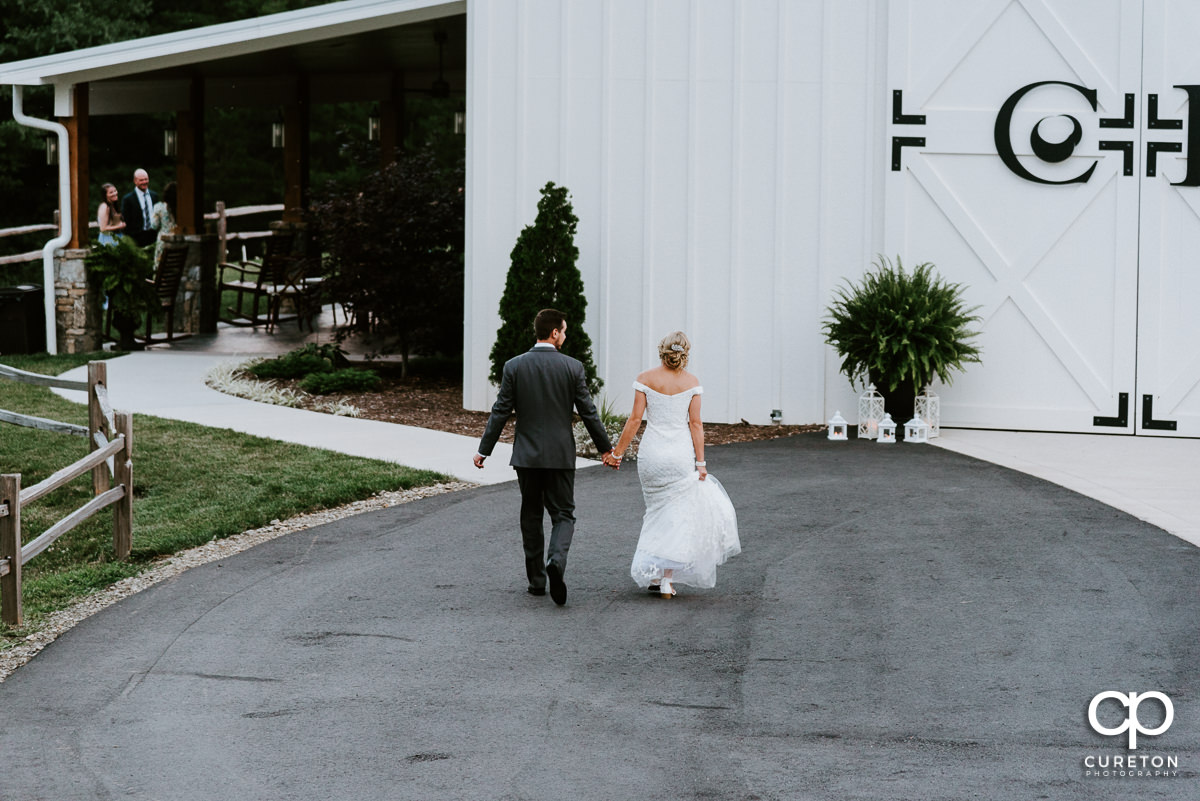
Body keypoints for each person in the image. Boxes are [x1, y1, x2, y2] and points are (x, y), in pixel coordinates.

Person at [474, 309, 614, 606]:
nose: (565, 335)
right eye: (564, 331)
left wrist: (484, 449)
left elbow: (501, 410)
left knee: (531, 514)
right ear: (554, 333)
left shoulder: (514, 366)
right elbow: (588, 412)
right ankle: (556, 560)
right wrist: (605, 449)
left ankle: (537, 582)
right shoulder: (572, 368)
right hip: (560, 456)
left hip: (526, 457)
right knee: (563, 514)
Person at [603, 331, 740, 598]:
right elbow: (696, 424)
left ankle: (654, 574)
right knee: (675, 516)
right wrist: (701, 462)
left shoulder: (645, 378)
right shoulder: (692, 382)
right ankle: (666, 580)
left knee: (655, 511)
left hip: (652, 455)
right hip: (679, 456)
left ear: (661, 351)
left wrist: (617, 454)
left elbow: (634, 420)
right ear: (685, 353)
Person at [120, 169, 159, 248]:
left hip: (153, 235)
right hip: (136, 238)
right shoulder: (128, 199)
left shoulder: (154, 196)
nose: (144, 182)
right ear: (135, 181)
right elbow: (125, 220)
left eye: (146, 179)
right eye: (141, 180)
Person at [150, 182, 178, 269]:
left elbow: (154, 225)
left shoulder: (159, 207)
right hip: (177, 242)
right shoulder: (182, 207)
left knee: (161, 270)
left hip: (163, 243)